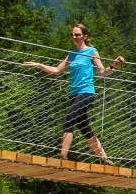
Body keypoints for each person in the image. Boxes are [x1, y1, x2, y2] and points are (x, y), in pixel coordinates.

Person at [19, 23, 125, 162]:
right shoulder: (72, 54)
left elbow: (102, 72)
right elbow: (57, 70)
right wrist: (39, 65)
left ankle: (62, 156)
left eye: (77, 35)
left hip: (86, 93)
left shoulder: (92, 51)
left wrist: (114, 66)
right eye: (72, 34)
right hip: (74, 94)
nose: (74, 37)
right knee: (85, 129)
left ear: (85, 36)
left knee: (68, 120)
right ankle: (104, 158)